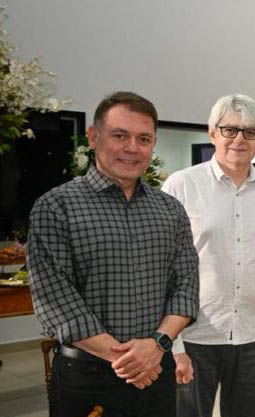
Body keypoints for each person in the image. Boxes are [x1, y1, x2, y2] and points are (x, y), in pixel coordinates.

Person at [27, 91, 199, 417]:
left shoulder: (171, 210)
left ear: (153, 143)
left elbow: (186, 287)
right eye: (120, 135)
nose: (132, 148)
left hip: (156, 372)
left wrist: (157, 346)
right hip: (87, 378)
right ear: (94, 137)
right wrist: (130, 360)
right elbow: (56, 301)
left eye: (143, 139)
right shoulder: (56, 207)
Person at [161, 94, 255, 417]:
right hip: (194, 335)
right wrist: (172, 345)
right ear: (212, 133)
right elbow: (162, 273)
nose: (239, 139)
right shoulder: (181, 186)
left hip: (254, 335)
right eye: (230, 130)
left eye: (250, 132)